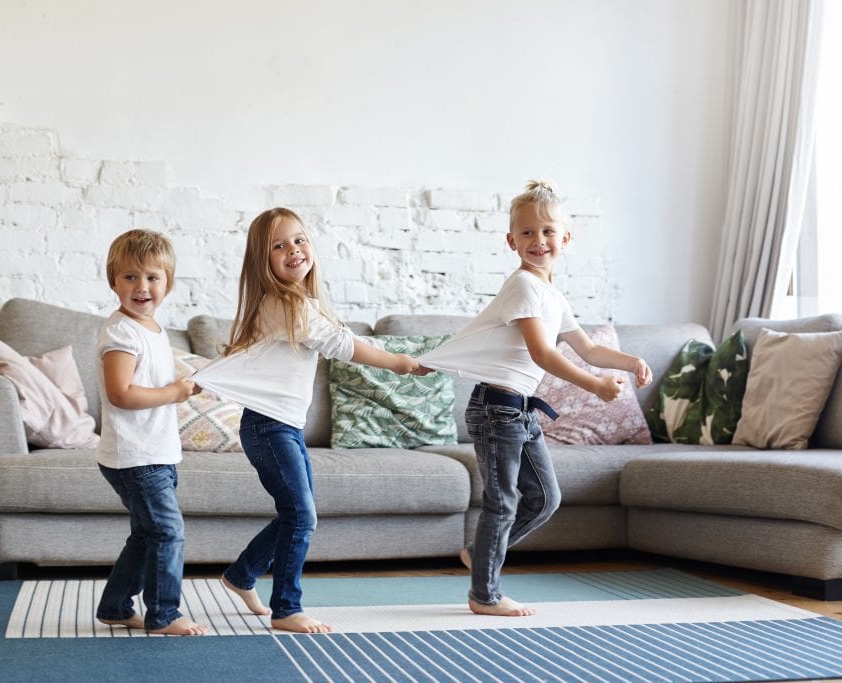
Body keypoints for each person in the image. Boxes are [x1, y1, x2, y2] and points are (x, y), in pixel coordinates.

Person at [418, 180, 653, 617]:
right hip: (496, 408)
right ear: (511, 241)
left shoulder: (553, 296)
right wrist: (596, 385)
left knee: (545, 499)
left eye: (547, 232)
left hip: (520, 411)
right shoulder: (523, 287)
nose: (538, 241)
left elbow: (586, 348)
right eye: (527, 233)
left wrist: (628, 360)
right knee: (502, 500)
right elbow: (542, 353)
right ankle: (483, 595)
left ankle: (481, 553)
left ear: (565, 238)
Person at [190, 208, 427, 633]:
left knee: (296, 513)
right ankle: (286, 608)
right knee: (301, 515)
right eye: (278, 246)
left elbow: (345, 336)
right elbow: (342, 345)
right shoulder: (281, 304)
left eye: (298, 240)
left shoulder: (303, 303)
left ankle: (242, 574)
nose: (292, 250)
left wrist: (402, 359)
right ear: (263, 262)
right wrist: (396, 363)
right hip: (267, 427)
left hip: (284, 427)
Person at [93, 228, 208, 636]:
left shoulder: (153, 330)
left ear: (168, 284)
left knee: (146, 535)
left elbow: (154, 380)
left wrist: (187, 382)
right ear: (113, 282)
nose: (142, 287)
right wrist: (173, 392)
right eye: (130, 277)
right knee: (167, 531)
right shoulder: (121, 333)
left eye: (153, 277)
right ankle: (163, 614)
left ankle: (115, 606)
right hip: (135, 456)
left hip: (156, 452)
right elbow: (120, 393)